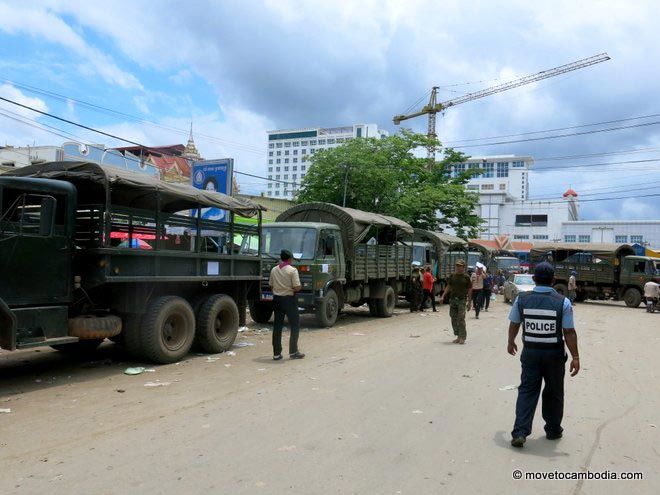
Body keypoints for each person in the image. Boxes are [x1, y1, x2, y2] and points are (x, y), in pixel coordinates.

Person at [507, 262, 580, 448]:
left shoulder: (521, 299)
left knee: (527, 391)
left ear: (534, 279)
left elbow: (514, 323)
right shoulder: (563, 302)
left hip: (530, 353)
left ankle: (520, 432)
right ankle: (553, 429)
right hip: (554, 355)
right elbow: (569, 331)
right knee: (554, 392)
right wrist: (575, 357)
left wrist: (511, 340)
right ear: (553, 280)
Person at [269, 249, 305, 360]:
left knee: (277, 326)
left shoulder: (274, 270)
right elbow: (297, 287)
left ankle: (276, 353)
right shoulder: (292, 270)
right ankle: (293, 351)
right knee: (295, 325)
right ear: (289, 259)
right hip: (289, 300)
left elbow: (271, 286)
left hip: (277, 300)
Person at [440, 260, 473, 344]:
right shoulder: (452, 276)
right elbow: (449, 286)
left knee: (461, 318)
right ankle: (458, 335)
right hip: (453, 300)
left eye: (460, 266)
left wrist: (469, 302)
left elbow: (469, 289)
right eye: (457, 266)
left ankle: (463, 337)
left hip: (462, 300)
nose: (458, 267)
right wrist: (443, 296)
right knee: (453, 318)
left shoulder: (466, 277)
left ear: (463, 267)